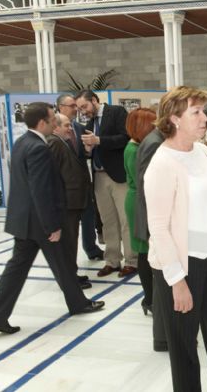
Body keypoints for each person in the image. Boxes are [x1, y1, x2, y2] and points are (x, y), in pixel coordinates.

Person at [145, 86, 207, 391]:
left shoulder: (202, 151)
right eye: (197, 112)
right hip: (180, 263)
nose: (206, 118)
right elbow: (159, 228)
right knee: (185, 349)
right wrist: (176, 280)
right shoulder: (162, 163)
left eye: (204, 110)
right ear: (175, 118)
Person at [0, 103, 104, 335]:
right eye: (52, 120)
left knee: (22, 268)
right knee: (60, 262)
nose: (55, 123)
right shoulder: (38, 147)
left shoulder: (22, 142)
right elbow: (41, 190)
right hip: (40, 222)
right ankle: (78, 303)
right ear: (42, 123)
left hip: (24, 221)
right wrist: (52, 226)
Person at [77, 90, 137, 277]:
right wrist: (88, 149)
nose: (83, 111)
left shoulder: (116, 112)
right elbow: (90, 150)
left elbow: (126, 138)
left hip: (118, 175)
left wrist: (99, 140)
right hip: (99, 177)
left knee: (126, 219)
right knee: (107, 221)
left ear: (94, 100)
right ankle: (112, 260)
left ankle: (132, 260)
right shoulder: (89, 123)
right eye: (79, 108)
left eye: (84, 106)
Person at [47, 113, 93, 289]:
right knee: (67, 242)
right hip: (67, 202)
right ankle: (68, 279)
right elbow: (54, 175)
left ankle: (71, 274)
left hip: (74, 200)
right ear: (56, 126)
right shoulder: (54, 143)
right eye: (66, 125)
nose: (70, 129)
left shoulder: (62, 142)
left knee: (71, 240)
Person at [56, 93, 104, 261]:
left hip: (84, 184)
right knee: (71, 229)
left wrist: (88, 151)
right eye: (72, 106)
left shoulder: (78, 127)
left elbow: (82, 154)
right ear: (61, 107)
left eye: (78, 106)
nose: (76, 109)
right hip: (68, 190)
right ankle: (70, 264)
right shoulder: (55, 134)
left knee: (89, 219)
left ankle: (91, 248)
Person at [134, 120, 168, 352]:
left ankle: (162, 333)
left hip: (154, 217)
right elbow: (149, 185)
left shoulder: (156, 140)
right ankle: (162, 335)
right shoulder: (155, 143)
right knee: (159, 273)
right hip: (154, 218)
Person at [123, 108, 157, 316]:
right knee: (144, 253)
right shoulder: (135, 149)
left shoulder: (137, 146)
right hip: (139, 202)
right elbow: (142, 181)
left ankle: (150, 297)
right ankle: (150, 298)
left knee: (146, 251)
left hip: (139, 199)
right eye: (152, 124)